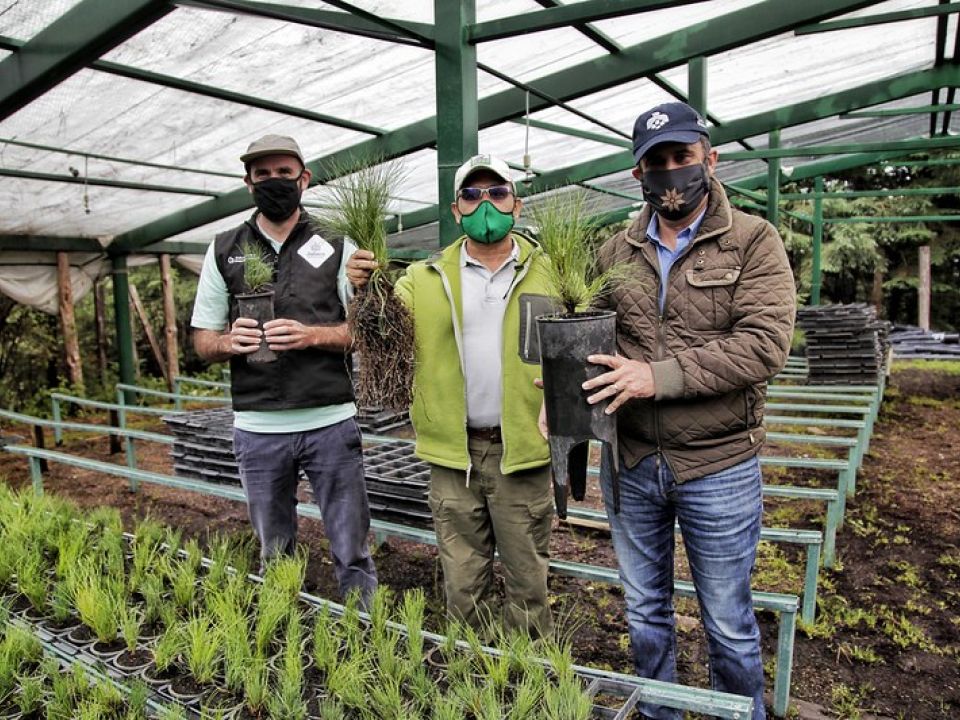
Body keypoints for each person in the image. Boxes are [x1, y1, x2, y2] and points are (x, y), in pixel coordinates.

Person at [582, 102, 796, 719]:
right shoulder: (611, 251)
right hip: (630, 461)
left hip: (718, 464)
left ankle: (740, 713)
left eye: (683, 157)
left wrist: (658, 377)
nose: (671, 172)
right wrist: (565, 389)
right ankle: (659, 713)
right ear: (638, 173)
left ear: (710, 158)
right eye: (657, 162)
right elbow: (595, 340)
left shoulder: (754, 239)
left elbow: (763, 345)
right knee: (644, 611)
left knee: (727, 619)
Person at [346, 154, 555, 637]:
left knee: (528, 580)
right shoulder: (423, 278)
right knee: (462, 581)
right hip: (452, 454)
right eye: (472, 195)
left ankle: (525, 677)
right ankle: (474, 674)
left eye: (497, 193)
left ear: (516, 205)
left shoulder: (550, 274)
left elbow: (581, 346)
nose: (486, 204)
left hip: (523, 449)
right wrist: (363, 288)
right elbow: (378, 335)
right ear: (456, 210)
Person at [190, 134, 377, 603]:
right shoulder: (223, 249)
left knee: (351, 547)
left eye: (284, 173)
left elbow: (363, 331)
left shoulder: (336, 241)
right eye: (263, 174)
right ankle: (285, 625)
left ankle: (364, 625)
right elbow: (201, 339)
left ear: (304, 179)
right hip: (257, 428)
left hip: (330, 422)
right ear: (249, 182)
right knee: (274, 547)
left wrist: (314, 334)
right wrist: (229, 342)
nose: (274, 182)